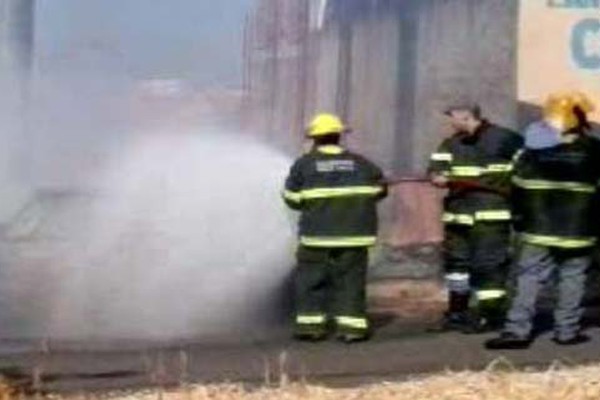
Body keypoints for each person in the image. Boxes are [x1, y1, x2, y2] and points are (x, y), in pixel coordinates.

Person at [486, 92, 600, 349]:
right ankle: (567, 331)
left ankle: (517, 332)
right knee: (573, 276)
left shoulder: (531, 149)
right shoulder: (594, 149)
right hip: (580, 229)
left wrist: (519, 217)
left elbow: (514, 183)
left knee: (529, 277)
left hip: (538, 227)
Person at [283, 113, 387, 342]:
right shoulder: (362, 163)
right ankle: (352, 328)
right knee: (351, 281)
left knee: (311, 280)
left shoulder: (305, 165)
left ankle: (311, 328)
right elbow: (380, 190)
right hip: (355, 236)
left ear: (315, 138)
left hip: (317, 237)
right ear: (339, 136)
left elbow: (292, 199)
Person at [428, 103, 523, 333]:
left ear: (466, 116)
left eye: (452, 117)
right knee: (456, 266)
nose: (451, 122)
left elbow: (525, 168)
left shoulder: (506, 139)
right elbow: (435, 168)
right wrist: (436, 176)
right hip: (458, 216)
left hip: (490, 216)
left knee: (489, 266)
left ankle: (490, 315)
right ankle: (456, 313)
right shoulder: (451, 143)